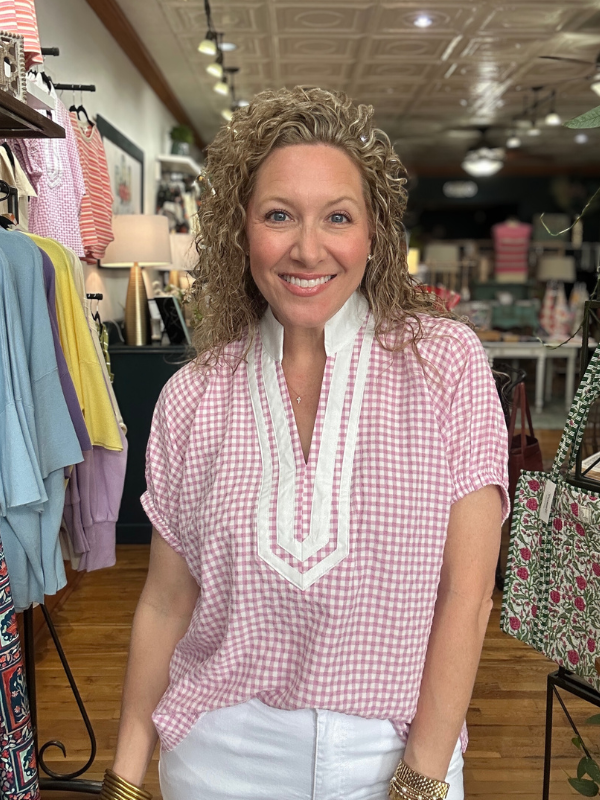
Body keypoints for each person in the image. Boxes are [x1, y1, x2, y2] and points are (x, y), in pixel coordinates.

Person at [100, 87, 509, 800]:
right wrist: (126, 774)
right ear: (241, 231)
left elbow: (467, 595)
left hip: (396, 752)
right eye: (279, 215)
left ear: (375, 234)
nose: (307, 248)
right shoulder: (193, 396)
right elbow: (166, 603)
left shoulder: (445, 365)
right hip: (219, 754)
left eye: (338, 217)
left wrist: (421, 775)